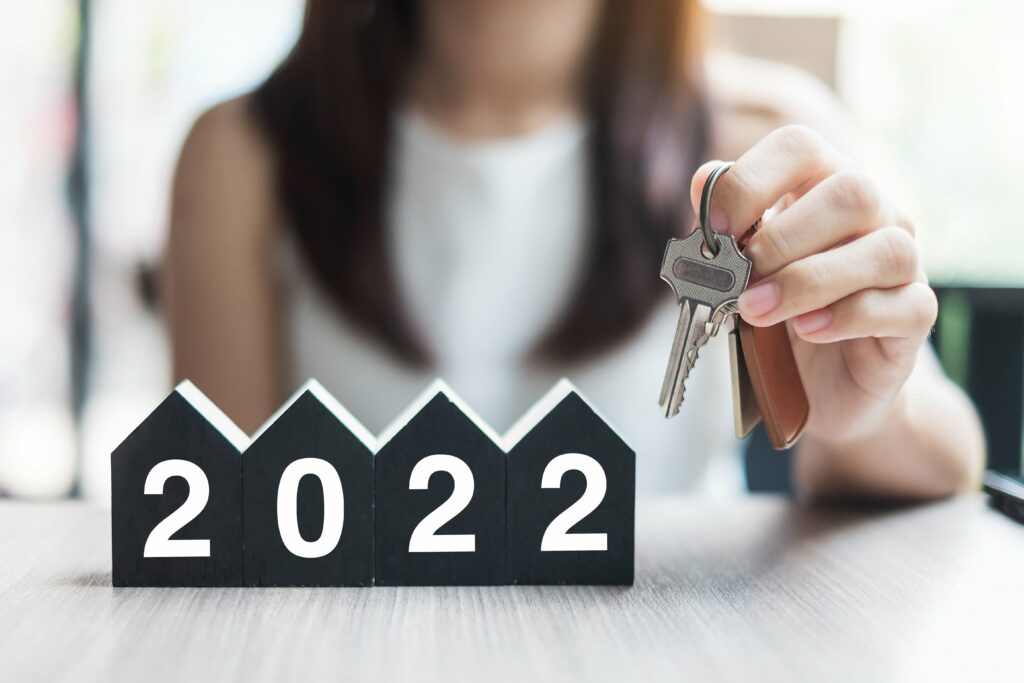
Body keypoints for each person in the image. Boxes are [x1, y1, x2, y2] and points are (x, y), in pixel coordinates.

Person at [164, 0, 984, 498]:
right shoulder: (240, 159)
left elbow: (950, 461)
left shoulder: (764, 138)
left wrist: (873, 407)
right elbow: (235, 532)